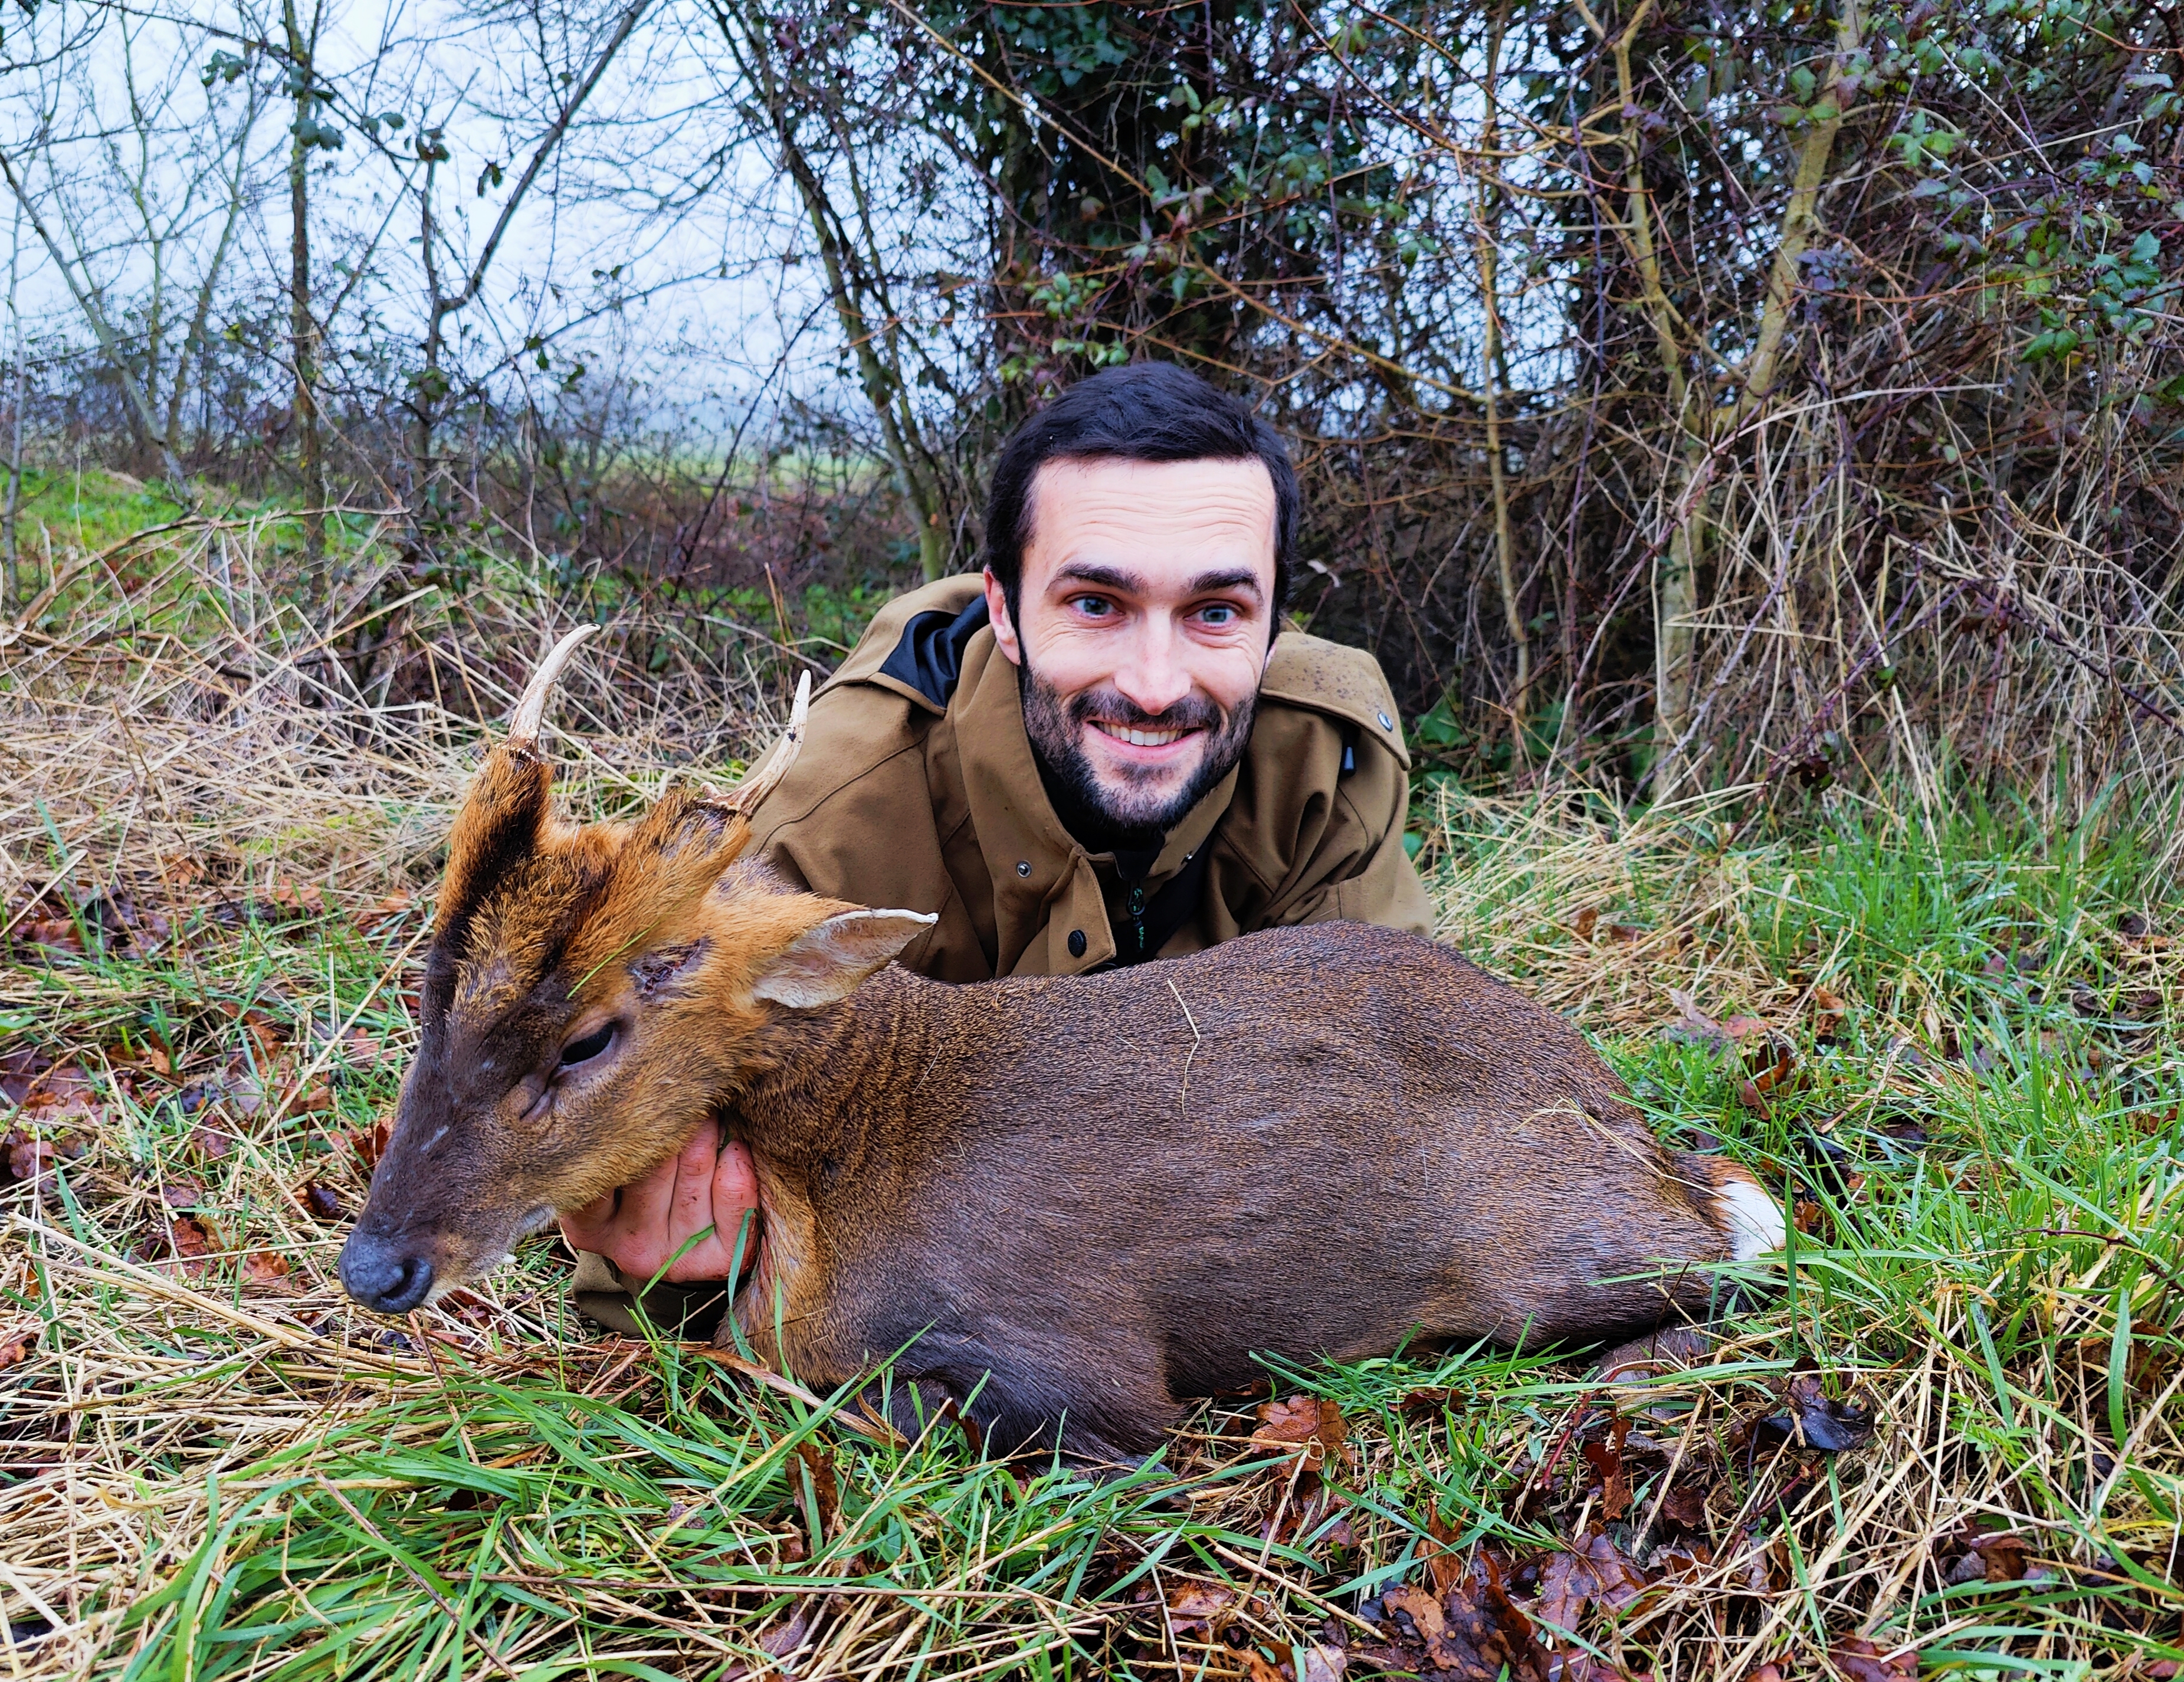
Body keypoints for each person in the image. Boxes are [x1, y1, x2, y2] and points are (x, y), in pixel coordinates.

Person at [563, 361, 1436, 1335]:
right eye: (1096, 605)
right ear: (1006, 612)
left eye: (1215, 613)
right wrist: (681, 1265)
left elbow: (1389, 1065)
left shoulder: (1325, 754)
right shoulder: (826, 836)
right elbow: (638, 1236)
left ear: (1275, 623)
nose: (1153, 685)